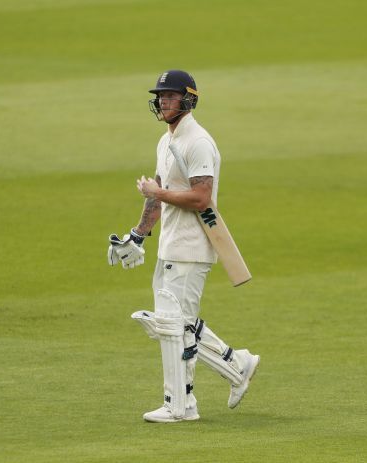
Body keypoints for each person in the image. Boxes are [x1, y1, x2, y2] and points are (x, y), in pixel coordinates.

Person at [108, 70, 260, 423]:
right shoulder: (166, 141)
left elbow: (201, 197)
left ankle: (181, 406)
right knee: (177, 325)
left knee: (174, 327)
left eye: (170, 96)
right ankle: (238, 364)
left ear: (188, 99)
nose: (162, 101)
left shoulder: (198, 142)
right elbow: (159, 192)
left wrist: (158, 193)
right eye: (160, 96)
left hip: (192, 248)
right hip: (169, 245)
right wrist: (138, 234)